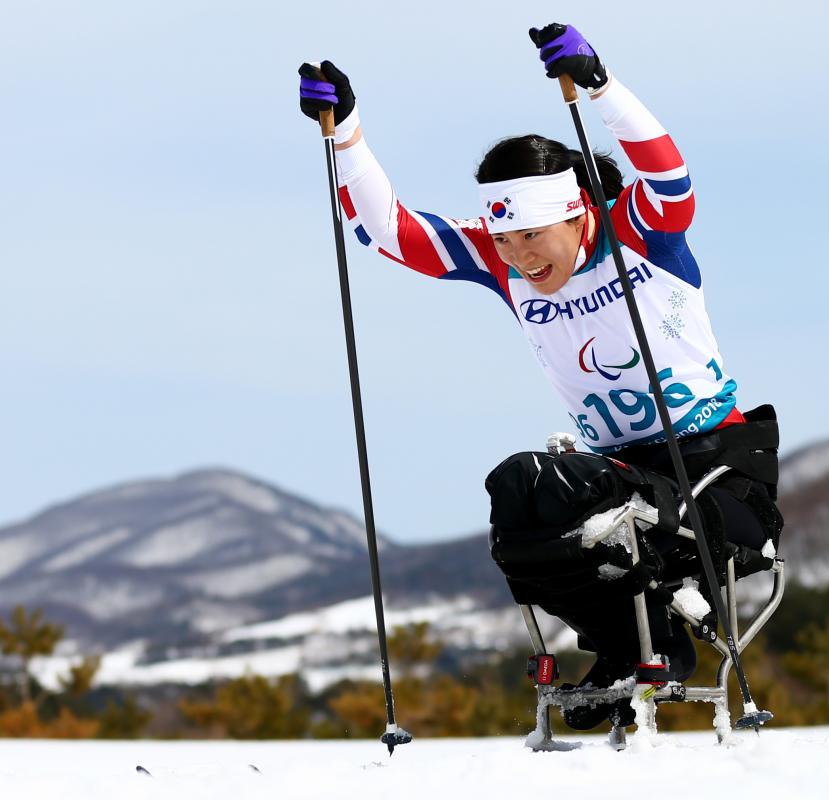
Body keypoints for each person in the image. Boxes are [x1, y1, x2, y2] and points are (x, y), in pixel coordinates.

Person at [298, 23, 783, 730]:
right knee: (518, 498)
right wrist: (346, 135)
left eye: (532, 237)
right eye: (504, 241)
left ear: (575, 212)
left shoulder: (637, 231)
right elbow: (388, 232)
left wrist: (602, 87)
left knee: (571, 493)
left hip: (713, 473)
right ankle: (633, 646)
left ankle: (650, 643)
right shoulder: (502, 265)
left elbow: (670, 178)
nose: (521, 258)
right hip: (617, 473)